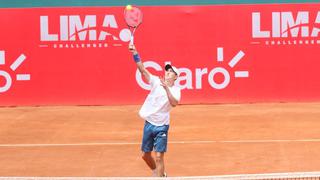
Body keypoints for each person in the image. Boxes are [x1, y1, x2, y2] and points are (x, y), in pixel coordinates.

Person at [129, 44, 181, 177]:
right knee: (145, 156)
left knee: (159, 156)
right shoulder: (155, 81)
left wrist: (166, 88)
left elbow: (174, 103)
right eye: (167, 71)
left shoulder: (176, 90)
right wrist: (135, 53)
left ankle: (161, 177)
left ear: (175, 77)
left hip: (162, 126)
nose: (167, 72)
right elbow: (142, 69)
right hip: (149, 123)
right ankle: (157, 173)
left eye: (171, 72)